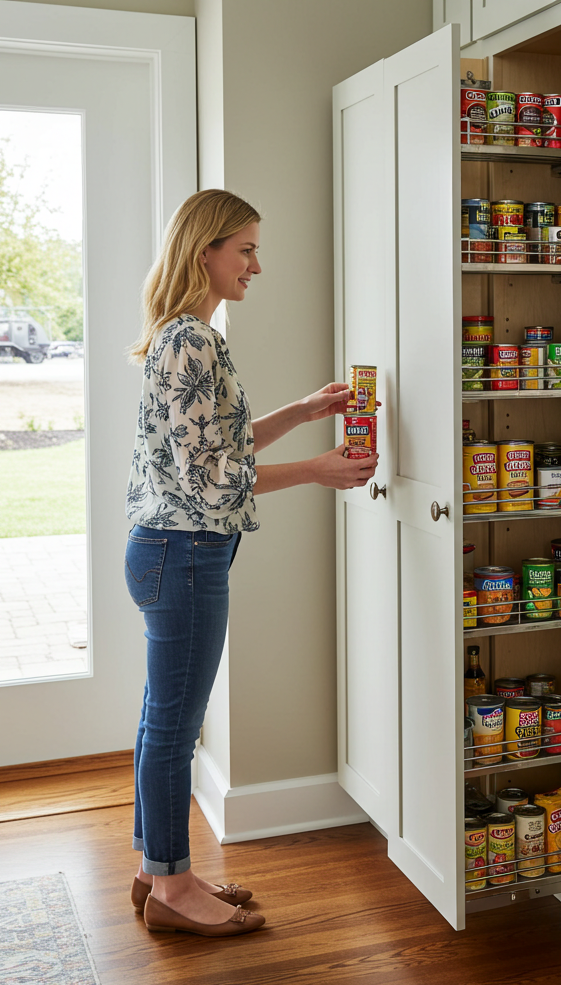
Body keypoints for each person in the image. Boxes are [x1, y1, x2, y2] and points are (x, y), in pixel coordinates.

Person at [123, 189, 377, 937]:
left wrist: (300, 411)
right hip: (186, 556)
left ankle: (158, 870)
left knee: (160, 724)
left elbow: (216, 449)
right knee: (174, 730)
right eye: (246, 250)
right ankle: (172, 892)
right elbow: (211, 479)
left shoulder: (184, 335)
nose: (256, 266)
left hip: (168, 552)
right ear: (206, 251)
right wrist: (317, 470)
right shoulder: (191, 341)